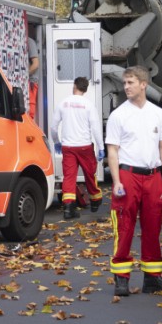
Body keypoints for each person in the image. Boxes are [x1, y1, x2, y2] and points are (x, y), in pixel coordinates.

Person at [106, 66, 162, 296]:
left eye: (130, 82)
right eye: (125, 83)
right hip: (128, 176)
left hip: (153, 175)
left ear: (143, 84)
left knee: (153, 226)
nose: (126, 87)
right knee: (124, 226)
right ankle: (121, 278)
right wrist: (116, 181)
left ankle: (153, 277)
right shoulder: (119, 115)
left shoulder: (157, 113)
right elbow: (113, 151)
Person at [52, 76, 104, 219]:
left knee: (69, 177)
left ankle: (68, 208)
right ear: (85, 89)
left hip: (68, 147)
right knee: (90, 173)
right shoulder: (88, 105)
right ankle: (95, 200)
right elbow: (96, 128)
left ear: (74, 86)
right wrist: (101, 147)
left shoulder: (63, 103)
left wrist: (56, 141)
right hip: (85, 146)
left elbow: (54, 127)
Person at [27, 28, 41, 121]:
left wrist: (24, 76)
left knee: (30, 112)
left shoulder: (29, 41)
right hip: (26, 81)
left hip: (31, 81)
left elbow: (35, 64)